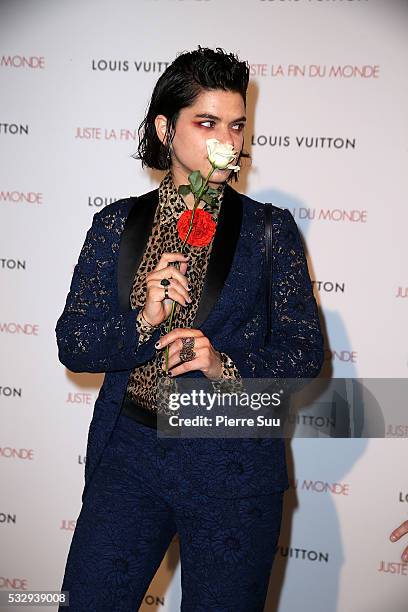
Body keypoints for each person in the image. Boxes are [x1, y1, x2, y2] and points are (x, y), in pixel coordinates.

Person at [55, 46, 324, 611]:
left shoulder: (269, 230)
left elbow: (303, 354)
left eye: (236, 125)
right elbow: (75, 345)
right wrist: (142, 320)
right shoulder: (116, 224)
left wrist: (223, 365)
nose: (227, 141)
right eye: (206, 123)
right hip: (128, 456)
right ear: (164, 128)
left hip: (233, 462)